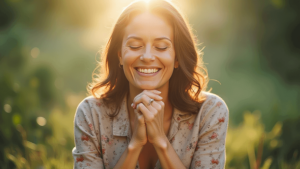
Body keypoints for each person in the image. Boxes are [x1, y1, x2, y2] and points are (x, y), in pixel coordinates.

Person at [72, 0, 229, 168]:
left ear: (177, 57)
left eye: (161, 47)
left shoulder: (209, 112)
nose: (147, 56)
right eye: (135, 46)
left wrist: (160, 141)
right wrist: (135, 145)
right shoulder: (91, 114)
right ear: (119, 55)